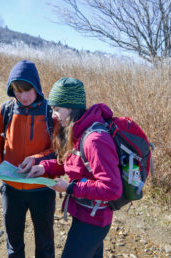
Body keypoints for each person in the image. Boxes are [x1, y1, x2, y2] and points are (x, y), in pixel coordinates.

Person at [25, 77, 123, 258]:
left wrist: (70, 187)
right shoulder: (78, 130)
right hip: (85, 213)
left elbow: (112, 188)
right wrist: (44, 167)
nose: (53, 115)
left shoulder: (95, 140)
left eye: (57, 109)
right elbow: (72, 164)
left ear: (72, 107)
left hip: (94, 221)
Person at [0, 60, 55, 258]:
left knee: (45, 243)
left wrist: (36, 159)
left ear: (37, 87)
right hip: (11, 189)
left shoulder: (51, 112)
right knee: (13, 243)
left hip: (42, 188)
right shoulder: (5, 110)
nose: (23, 97)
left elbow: (59, 151)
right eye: (18, 91)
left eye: (27, 90)